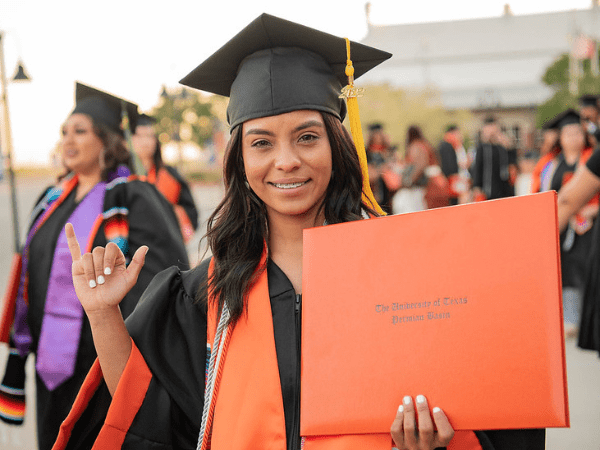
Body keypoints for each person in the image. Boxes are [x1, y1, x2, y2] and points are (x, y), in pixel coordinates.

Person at [52, 14, 544, 450]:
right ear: (240, 160)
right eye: (261, 143)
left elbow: (484, 397)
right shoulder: (208, 295)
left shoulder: (406, 269)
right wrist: (102, 313)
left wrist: (439, 442)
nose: (286, 161)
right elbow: (148, 414)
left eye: (307, 137)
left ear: (336, 145)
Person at [0, 82, 189, 450]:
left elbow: (163, 280)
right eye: (64, 132)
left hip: (102, 364)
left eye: (80, 131)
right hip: (49, 366)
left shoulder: (134, 196)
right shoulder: (52, 199)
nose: (68, 140)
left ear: (106, 139)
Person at [531, 109, 598, 338]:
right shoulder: (548, 164)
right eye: (568, 133)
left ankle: (588, 318)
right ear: (560, 137)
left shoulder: (592, 158)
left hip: (588, 225)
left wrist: (594, 209)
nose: (573, 138)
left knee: (587, 268)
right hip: (559, 225)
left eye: (578, 133)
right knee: (564, 269)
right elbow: (538, 193)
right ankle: (570, 318)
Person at [132, 113, 199, 243]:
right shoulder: (123, 176)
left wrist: (170, 212)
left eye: (150, 136)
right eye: (139, 136)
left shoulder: (170, 175)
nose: (145, 142)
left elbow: (190, 212)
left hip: (167, 244)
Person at [471, 116, 515, 201]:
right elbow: (477, 167)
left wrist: (508, 147)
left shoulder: (503, 146)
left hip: (505, 190)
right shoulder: (483, 148)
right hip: (488, 191)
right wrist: (476, 186)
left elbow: (512, 163)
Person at [438, 124, 471, 205]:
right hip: (453, 180)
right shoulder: (449, 145)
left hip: (454, 180)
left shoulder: (453, 145)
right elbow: (450, 165)